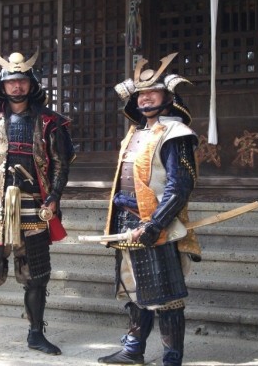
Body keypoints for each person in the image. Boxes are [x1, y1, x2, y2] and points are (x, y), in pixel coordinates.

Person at [0, 46, 75, 358]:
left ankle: (36, 334)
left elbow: (61, 165)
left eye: (22, 81)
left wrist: (53, 197)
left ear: (31, 84)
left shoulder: (50, 122)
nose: (17, 86)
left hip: (34, 205)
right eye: (11, 82)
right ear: (2, 86)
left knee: (36, 275)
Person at [98, 53, 202, 366]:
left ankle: (171, 358)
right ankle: (133, 349)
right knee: (134, 288)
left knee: (167, 295)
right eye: (141, 94)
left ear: (169, 98)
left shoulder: (177, 134)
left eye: (152, 93)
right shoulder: (134, 134)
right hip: (126, 220)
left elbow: (179, 186)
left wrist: (156, 223)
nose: (145, 98)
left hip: (157, 223)